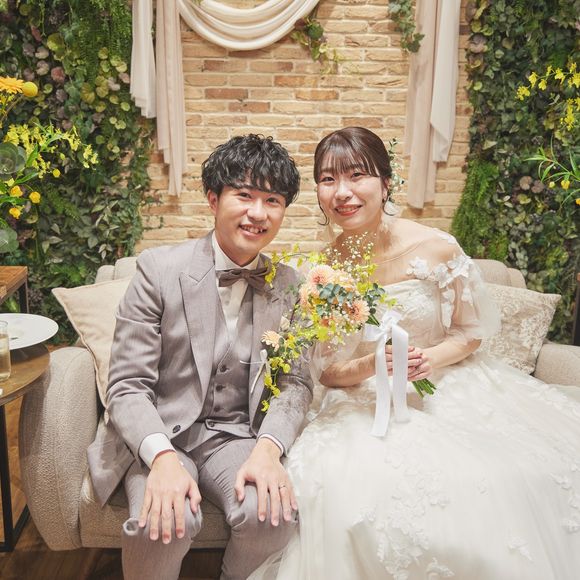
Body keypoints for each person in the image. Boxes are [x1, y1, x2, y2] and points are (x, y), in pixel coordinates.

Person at [250, 127, 580, 579]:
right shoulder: (323, 271)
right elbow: (327, 371)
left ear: (386, 183)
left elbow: (470, 332)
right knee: (339, 477)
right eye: (328, 179)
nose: (342, 192)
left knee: (502, 471)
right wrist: (371, 365)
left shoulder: (437, 248)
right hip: (363, 400)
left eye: (356, 175)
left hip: (447, 385)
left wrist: (431, 358)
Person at [87, 134, 313, 580]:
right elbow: (127, 385)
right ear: (213, 199)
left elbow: (296, 383)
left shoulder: (290, 285)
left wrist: (269, 450)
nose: (258, 213)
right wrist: (161, 459)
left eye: (272, 200)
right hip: (161, 430)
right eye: (244, 195)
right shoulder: (158, 269)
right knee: (162, 523)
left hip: (236, 435)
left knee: (272, 516)